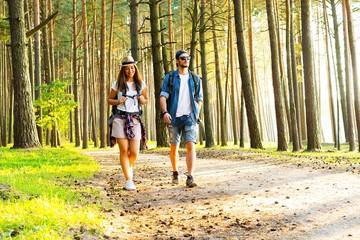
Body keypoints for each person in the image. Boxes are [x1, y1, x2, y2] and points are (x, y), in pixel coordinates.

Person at [159, 50, 203, 188]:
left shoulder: (195, 78)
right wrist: (165, 112)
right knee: (174, 147)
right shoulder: (170, 77)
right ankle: (175, 171)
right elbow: (163, 96)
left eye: (188, 58)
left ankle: (190, 176)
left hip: (190, 118)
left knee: (191, 146)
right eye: (183, 58)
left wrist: (195, 111)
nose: (186, 60)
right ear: (177, 60)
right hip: (173, 117)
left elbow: (199, 98)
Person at [108, 55, 147, 191]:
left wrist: (142, 99)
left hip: (135, 119)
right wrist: (118, 101)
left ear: (135, 68)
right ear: (123, 70)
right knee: (124, 150)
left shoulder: (141, 84)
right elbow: (109, 100)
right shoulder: (117, 84)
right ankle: (129, 180)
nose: (130, 71)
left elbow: (145, 100)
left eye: (132, 68)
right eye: (127, 68)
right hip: (119, 118)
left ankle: (127, 167)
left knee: (134, 152)